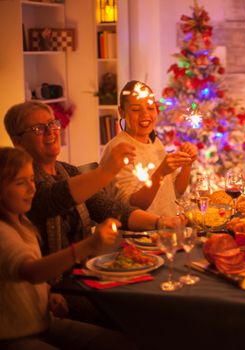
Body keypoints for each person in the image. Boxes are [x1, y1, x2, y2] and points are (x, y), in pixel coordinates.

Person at [0, 146, 138, 350]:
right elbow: (31, 271)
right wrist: (89, 245)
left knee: (122, 343)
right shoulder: (3, 232)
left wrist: (47, 295)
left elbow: (19, 283)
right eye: (21, 183)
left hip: (44, 322)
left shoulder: (23, 223)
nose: (32, 189)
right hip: (15, 337)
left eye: (31, 179)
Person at [3, 101, 182, 257]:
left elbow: (109, 208)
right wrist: (107, 170)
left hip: (86, 270)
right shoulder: (22, 181)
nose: (50, 132)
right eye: (38, 129)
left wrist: (161, 222)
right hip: (55, 285)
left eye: (52, 123)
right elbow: (53, 197)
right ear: (18, 141)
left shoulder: (68, 170)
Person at [102, 80, 198, 216]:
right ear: (121, 112)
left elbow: (176, 191)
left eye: (151, 108)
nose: (145, 115)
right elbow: (130, 207)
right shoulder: (119, 149)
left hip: (168, 227)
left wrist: (187, 164)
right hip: (142, 234)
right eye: (136, 109)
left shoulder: (154, 142)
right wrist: (160, 173)